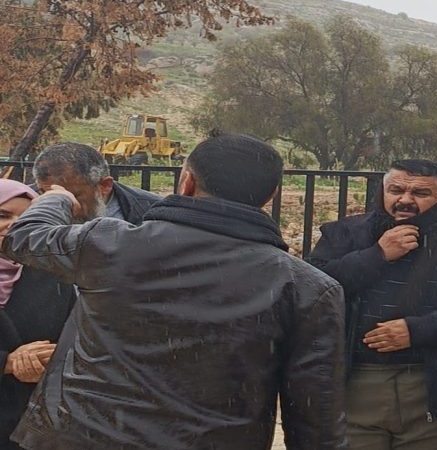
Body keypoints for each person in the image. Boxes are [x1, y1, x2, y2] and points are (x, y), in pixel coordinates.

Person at [2, 132, 347, 449]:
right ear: (271, 195)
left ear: (187, 182)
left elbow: (22, 237)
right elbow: (316, 421)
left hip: (83, 437)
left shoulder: (110, 244)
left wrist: (56, 198)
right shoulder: (307, 288)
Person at [307, 159, 437, 450]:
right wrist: (376, 255)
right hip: (356, 380)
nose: (405, 200)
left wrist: (418, 330)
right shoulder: (345, 233)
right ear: (382, 190)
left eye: (420, 193)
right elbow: (313, 289)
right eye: (396, 190)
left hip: (433, 382)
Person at [0, 180, 75, 450]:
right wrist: (7, 363)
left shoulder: (52, 275)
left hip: (32, 422)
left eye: (26, 218)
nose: (14, 225)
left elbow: (75, 337)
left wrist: (47, 361)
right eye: (3, 215)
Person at [32, 142, 160, 224]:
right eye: (46, 195)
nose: (59, 205)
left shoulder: (153, 211)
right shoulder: (25, 200)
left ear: (105, 186)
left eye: (72, 196)